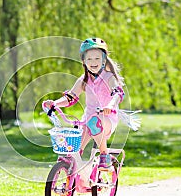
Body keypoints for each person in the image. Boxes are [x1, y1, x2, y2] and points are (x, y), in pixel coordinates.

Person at [43, 37, 125, 170]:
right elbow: (70, 98)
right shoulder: (84, 80)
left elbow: (118, 94)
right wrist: (55, 103)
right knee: (73, 151)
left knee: (94, 122)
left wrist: (110, 106)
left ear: (104, 60)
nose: (93, 62)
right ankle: (76, 181)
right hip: (87, 121)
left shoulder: (109, 77)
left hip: (106, 119)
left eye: (97, 58)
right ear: (84, 61)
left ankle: (105, 155)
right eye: (90, 59)